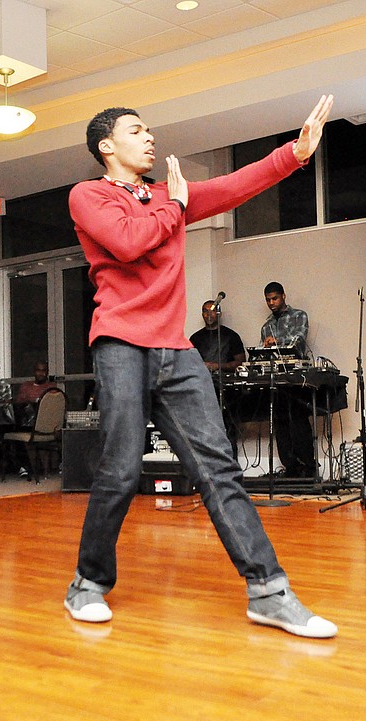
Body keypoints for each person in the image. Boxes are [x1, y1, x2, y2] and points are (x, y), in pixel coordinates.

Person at [63, 95, 338, 638]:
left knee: (219, 470)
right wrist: (178, 207)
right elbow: (128, 242)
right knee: (119, 468)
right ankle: (87, 585)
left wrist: (295, 154)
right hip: (120, 343)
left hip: (176, 351)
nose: (149, 138)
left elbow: (237, 185)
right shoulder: (88, 195)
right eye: (136, 130)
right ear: (106, 145)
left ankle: (269, 592)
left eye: (149, 130)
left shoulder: (170, 196)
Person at [260, 281, 316, 478]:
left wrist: (277, 342)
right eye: (268, 300)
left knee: (299, 421)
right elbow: (264, 354)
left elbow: (299, 339)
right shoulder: (266, 325)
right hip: (276, 379)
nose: (271, 303)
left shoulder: (299, 315)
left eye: (274, 298)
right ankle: (291, 467)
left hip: (296, 378)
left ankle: (308, 467)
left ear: (283, 296)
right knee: (280, 422)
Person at [189, 300, 246, 456]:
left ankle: (231, 468)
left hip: (228, 392)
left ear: (218, 313)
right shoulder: (195, 338)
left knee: (227, 429)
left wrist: (216, 366)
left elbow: (241, 362)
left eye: (212, 310)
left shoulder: (230, 336)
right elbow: (187, 363)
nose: (209, 314)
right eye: (205, 311)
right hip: (202, 389)